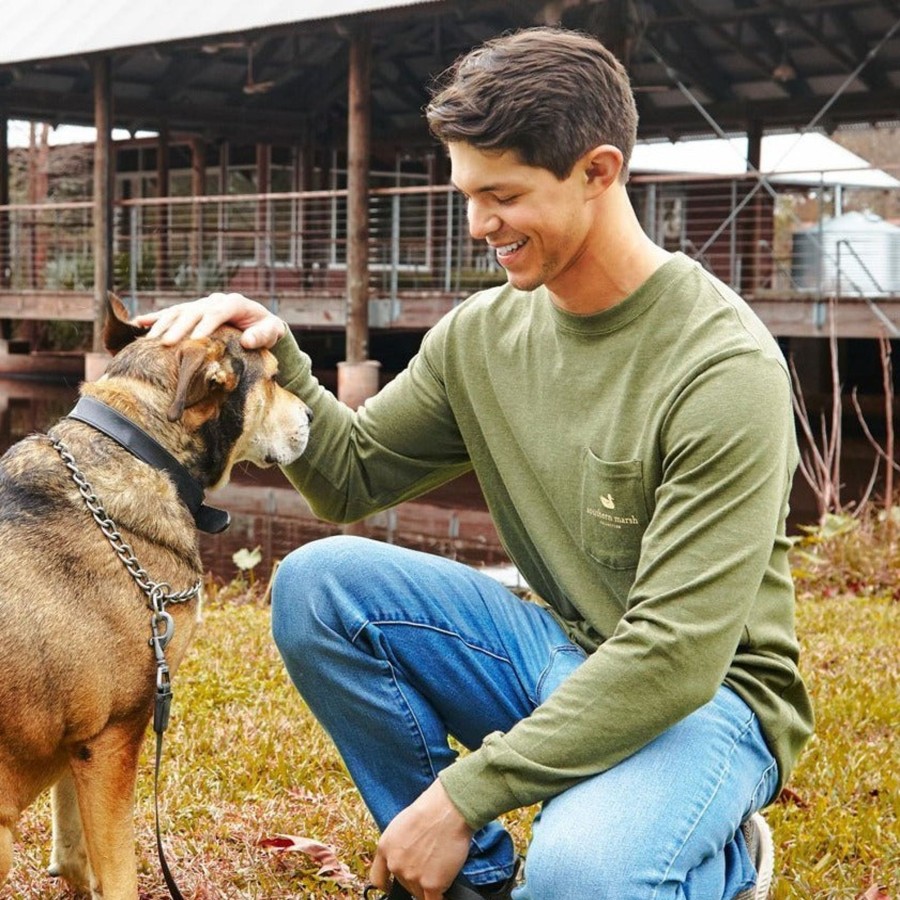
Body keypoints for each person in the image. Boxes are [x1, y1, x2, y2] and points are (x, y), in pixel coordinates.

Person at [138, 26, 814, 900]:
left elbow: (675, 656)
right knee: (320, 583)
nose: (476, 224)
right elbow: (353, 476)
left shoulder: (723, 370)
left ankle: (719, 857)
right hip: (559, 647)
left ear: (598, 172)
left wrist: (459, 795)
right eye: (465, 193)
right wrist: (277, 355)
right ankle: (477, 879)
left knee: (583, 874)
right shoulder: (483, 336)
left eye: (502, 195)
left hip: (706, 699)